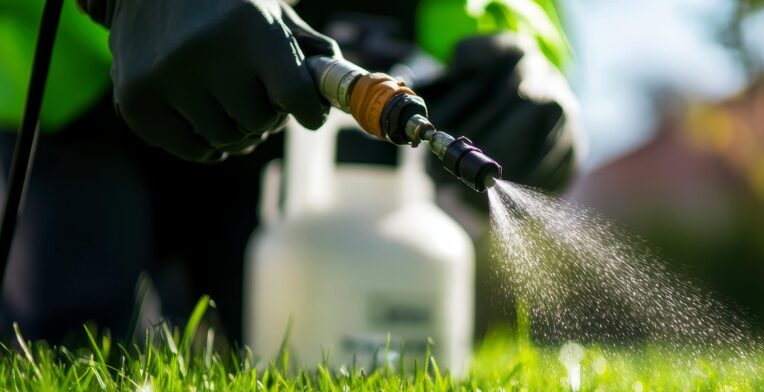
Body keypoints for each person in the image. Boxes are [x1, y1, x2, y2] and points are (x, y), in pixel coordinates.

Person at [0, 0, 581, 343]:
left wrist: (526, 59)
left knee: (315, 332)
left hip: (288, 111)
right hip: (64, 96)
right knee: (67, 329)